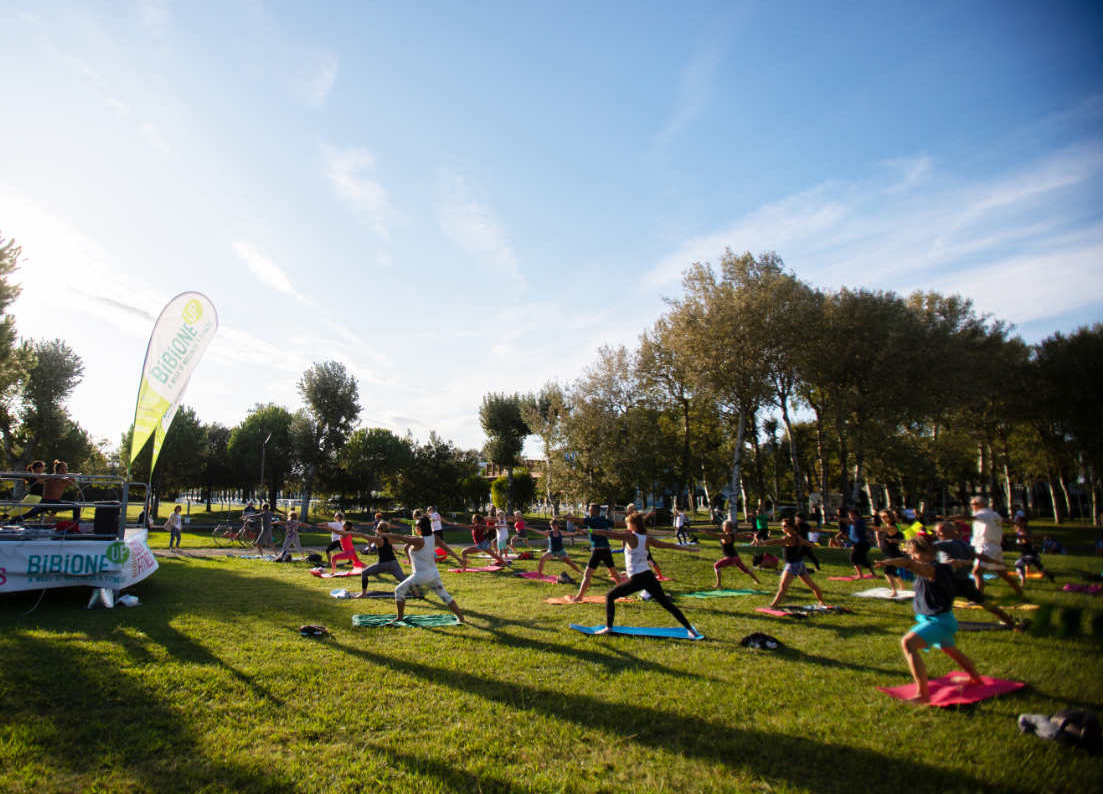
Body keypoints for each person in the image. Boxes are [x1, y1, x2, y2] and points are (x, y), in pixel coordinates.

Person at [874, 536, 983, 703]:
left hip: (938, 622)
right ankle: (976, 678)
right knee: (951, 650)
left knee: (908, 644)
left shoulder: (932, 570)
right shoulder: (940, 567)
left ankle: (923, 694)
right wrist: (963, 562)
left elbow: (909, 564)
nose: (912, 558)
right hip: (941, 619)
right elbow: (954, 564)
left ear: (926, 553)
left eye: (914, 554)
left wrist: (888, 562)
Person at [591, 512, 699, 639]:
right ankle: (690, 629)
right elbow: (667, 545)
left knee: (610, 596)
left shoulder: (630, 536)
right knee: (666, 604)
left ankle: (608, 627)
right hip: (648, 576)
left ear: (634, 525)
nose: (626, 526)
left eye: (628, 523)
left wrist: (591, 530)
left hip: (637, 578)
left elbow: (610, 534)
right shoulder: (646, 538)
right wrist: (688, 549)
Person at [932, 521, 1019, 630]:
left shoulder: (946, 544)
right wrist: (996, 562)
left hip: (949, 582)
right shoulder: (963, 544)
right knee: (984, 602)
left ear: (949, 531)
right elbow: (979, 556)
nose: (937, 535)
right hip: (964, 581)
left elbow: (926, 546)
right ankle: (1008, 620)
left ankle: (937, 623)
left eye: (939, 532)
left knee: (936, 602)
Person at [379, 515, 465, 624]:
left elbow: (402, 538)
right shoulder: (434, 537)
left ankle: (399, 618)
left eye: (416, 526)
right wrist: (458, 559)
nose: (415, 528)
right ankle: (461, 618)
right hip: (434, 575)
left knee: (399, 590)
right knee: (445, 596)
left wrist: (385, 534)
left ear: (420, 528)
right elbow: (446, 548)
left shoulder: (418, 540)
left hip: (420, 576)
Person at [961, 496, 1024, 598]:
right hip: (995, 547)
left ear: (980, 504)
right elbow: (1004, 520)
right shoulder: (994, 514)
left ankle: (978, 597)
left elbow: (969, 518)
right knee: (1002, 573)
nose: (972, 507)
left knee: (976, 572)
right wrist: (1015, 523)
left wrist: (952, 518)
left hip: (986, 546)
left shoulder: (982, 514)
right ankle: (1020, 593)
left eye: (973, 504)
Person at [758, 518, 827, 608]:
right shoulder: (797, 536)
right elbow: (806, 542)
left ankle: (773, 605)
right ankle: (821, 602)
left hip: (792, 565)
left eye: (785, 526)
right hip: (800, 564)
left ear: (791, 527)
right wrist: (813, 545)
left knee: (783, 587)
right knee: (811, 585)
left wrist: (763, 542)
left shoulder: (789, 538)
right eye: (782, 526)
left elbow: (776, 541)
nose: (782, 527)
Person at [568, 504, 626, 602]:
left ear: (595, 511)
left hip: (598, 551)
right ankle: (624, 593)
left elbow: (579, 520)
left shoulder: (592, 520)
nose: (589, 512)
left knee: (587, 574)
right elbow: (616, 524)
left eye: (590, 510)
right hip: (606, 549)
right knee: (614, 573)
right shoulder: (603, 520)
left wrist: (570, 518)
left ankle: (579, 597)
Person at [351, 513, 407, 593]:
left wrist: (351, 533)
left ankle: (363, 594)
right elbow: (402, 539)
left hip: (383, 564)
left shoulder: (379, 539)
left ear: (380, 530)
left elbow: (363, 535)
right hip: (394, 563)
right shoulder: (390, 537)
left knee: (364, 573)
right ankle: (416, 592)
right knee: (404, 580)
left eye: (377, 529)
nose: (376, 530)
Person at [699, 520, 761, 588]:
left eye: (724, 526)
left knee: (716, 565)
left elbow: (715, 535)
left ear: (728, 527)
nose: (722, 527)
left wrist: (706, 532)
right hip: (736, 557)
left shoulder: (726, 535)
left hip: (730, 557)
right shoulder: (733, 534)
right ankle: (757, 581)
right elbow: (742, 534)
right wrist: (751, 533)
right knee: (745, 570)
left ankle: (718, 584)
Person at [1012, 517, 1053, 585]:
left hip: (1031, 554)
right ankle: (1049, 575)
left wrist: (1022, 538)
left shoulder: (1026, 532)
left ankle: (1023, 581)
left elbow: (1028, 541)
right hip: (1027, 554)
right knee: (1039, 567)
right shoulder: (1020, 531)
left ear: (1023, 523)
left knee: (1018, 564)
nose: (1016, 524)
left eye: (1018, 522)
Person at [875, 509, 906, 597]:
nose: (882, 519)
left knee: (887, 571)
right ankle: (902, 586)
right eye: (881, 517)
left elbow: (900, 539)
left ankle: (894, 590)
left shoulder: (892, 527)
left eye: (885, 517)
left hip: (893, 553)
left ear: (890, 517)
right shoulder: (886, 527)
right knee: (893, 571)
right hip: (888, 553)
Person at [846, 508, 876, 579]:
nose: (850, 517)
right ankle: (873, 574)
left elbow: (859, 526)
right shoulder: (853, 524)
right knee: (863, 560)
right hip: (857, 544)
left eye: (850, 515)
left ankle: (860, 575)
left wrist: (841, 519)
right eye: (849, 515)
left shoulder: (859, 522)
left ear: (855, 515)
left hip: (861, 543)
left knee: (853, 558)